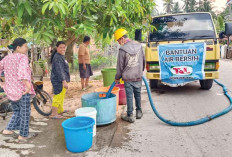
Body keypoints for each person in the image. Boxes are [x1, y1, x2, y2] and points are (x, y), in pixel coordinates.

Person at [0, 38, 37, 142]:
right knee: (25, 113)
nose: (26, 48)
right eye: (25, 46)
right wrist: (28, 85)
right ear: (18, 47)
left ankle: (8, 129)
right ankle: (23, 135)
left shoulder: (7, 58)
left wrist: (1, 83)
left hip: (10, 90)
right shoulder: (22, 57)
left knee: (17, 111)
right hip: (22, 90)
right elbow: (22, 72)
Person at [114, 28, 145, 123]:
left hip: (128, 77)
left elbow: (120, 66)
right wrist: (140, 71)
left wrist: (117, 77)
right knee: (138, 94)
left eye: (119, 40)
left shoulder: (122, 50)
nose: (119, 43)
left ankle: (130, 115)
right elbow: (143, 61)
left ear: (122, 38)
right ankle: (139, 112)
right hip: (138, 75)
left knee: (129, 96)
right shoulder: (139, 46)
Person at [50, 41, 70, 119]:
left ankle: (60, 110)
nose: (62, 49)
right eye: (60, 47)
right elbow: (59, 70)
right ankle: (54, 114)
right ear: (57, 48)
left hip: (61, 80)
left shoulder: (60, 56)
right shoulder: (57, 57)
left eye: (64, 47)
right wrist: (64, 81)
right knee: (58, 97)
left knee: (61, 96)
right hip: (59, 81)